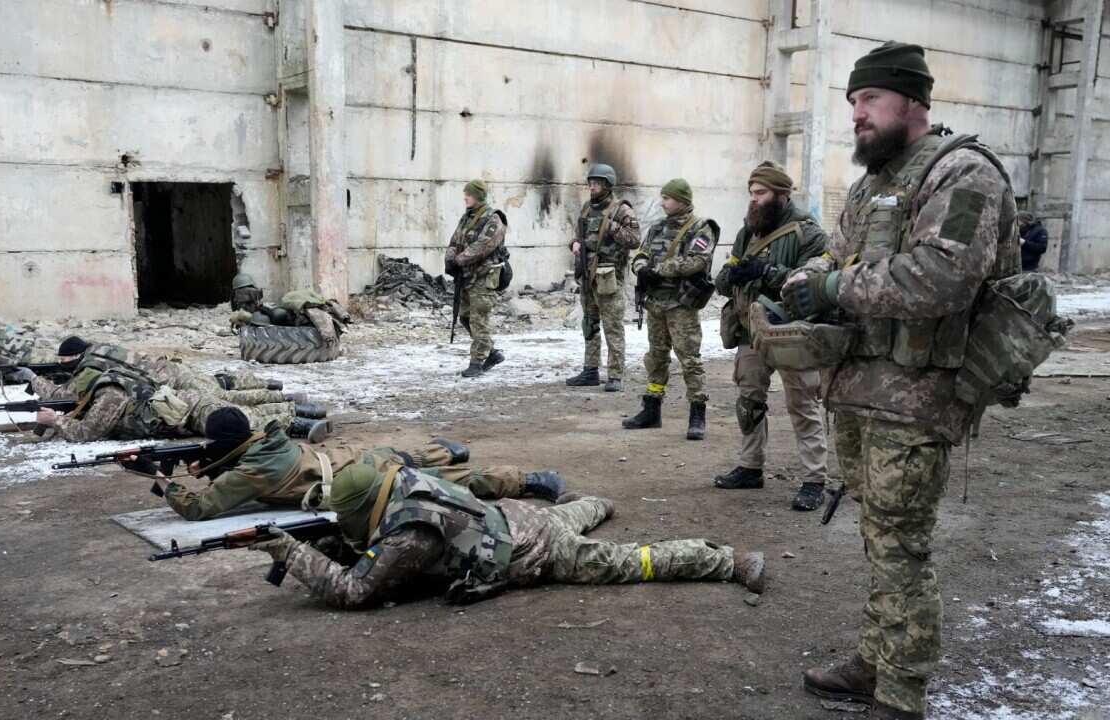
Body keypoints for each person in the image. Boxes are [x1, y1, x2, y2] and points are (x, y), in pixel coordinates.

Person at [782, 42, 1019, 720]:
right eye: (853, 102)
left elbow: (944, 277)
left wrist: (834, 285)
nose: (856, 114)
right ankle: (875, 657)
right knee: (878, 538)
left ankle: (901, 691)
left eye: (868, 100)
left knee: (901, 544)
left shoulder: (963, 174)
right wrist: (805, 282)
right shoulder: (871, 181)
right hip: (860, 390)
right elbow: (840, 254)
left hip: (916, 399)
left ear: (912, 102)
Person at [243, 464, 767, 609]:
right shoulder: (400, 479)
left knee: (626, 562)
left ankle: (725, 561)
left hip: (535, 550)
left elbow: (355, 590)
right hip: (513, 515)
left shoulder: (409, 535)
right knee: (572, 512)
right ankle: (597, 502)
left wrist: (292, 555)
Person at [141, 408, 566, 520]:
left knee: (440, 484)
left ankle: (528, 480)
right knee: (407, 457)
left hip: (354, 481)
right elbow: (231, 470)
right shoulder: (264, 445)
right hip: (345, 461)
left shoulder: (250, 470)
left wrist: (165, 482)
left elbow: (200, 508)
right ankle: (445, 448)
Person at [711, 162, 831, 511]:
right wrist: (731, 274)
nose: (754, 200)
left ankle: (814, 480)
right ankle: (751, 467)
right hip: (751, 332)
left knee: (802, 405)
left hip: (792, 334)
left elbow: (813, 283)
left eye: (760, 193)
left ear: (781, 195)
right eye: (751, 193)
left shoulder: (808, 234)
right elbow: (724, 279)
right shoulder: (748, 231)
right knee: (749, 402)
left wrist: (767, 271)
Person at [32, 353, 328, 444]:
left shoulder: (109, 393)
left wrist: (55, 420)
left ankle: (298, 422)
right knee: (237, 407)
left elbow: (87, 433)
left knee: (242, 420)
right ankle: (301, 411)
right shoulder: (108, 385)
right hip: (187, 406)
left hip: (191, 409)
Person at [622, 179, 719, 440]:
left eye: (668, 198)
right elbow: (641, 254)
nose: (663, 202)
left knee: (689, 359)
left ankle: (697, 412)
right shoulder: (656, 228)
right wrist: (641, 269)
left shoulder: (700, 228)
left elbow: (698, 261)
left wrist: (659, 270)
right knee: (656, 357)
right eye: (663, 197)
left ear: (682, 201)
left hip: (680, 305)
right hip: (655, 303)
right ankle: (652, 407)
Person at [25, 337, 311, 411]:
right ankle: (276, 390)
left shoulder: (89, 368)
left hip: (170, 383)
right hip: (171, 372)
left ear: (75, 357)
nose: (62, 364)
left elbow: (68, 395)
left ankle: (288, 400)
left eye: (64, 361)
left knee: (222, 400)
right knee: (219, 388)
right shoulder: (100, 350)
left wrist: (33, 380)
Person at [564, 163, 641, 393]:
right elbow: (579, 235)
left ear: (608, 185)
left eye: (597, 183)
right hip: (588, 276)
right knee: (590, 324)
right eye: (590, 183)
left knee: (612, 327)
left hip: (609, 278)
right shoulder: (587, 208)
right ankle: (590, 370)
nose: (592, 186)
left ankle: (615, 375)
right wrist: (574, 244)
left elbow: (635, 240)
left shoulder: (621, 210)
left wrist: (613, 227)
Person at [445, 179, 508, 378]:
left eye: (469, 194)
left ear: (478, 196)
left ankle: (477, 362)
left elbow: (484, 245)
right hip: (467, 277)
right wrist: (450, 259)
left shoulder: (493, 218)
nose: (465, 197)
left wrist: (460, 259)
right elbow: (455, 240)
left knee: (478, 319)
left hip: (484, 276)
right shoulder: (467, 218)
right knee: (465, 316)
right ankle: (492, 353)